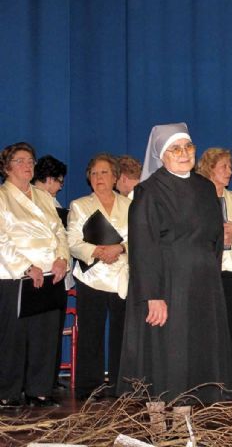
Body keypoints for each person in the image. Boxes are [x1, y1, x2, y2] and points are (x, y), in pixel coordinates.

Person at [118, 123, 232, 403]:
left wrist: (210, 274)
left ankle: (187, 416)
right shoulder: (149, 191)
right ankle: (159, 422)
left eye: (188, 147)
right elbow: (143, 247)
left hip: (203, 284)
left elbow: (215, 238)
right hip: (168, 284)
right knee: (168, 355)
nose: (184, 153)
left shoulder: (205, 187)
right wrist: (153, 295)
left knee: (198, 353)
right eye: (175, 149)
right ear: (162, 155)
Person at [0, 142, 70, 408]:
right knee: (13, 336)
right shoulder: (2, 197)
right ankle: (7, 392)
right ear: (6, 167)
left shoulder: (43, 197)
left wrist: (62, 258)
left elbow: (59, 231)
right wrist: (27, 267)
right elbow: (1, 238)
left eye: (30, 160)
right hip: (14, 274)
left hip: (50, 273)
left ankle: (38, 390)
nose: (27, 165)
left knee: (45, 332)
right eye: (20, 160)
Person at [67, 154, 131, 400]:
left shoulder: (130, 205)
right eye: (94, 173)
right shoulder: (79, 205)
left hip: (122, 277)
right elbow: (73, 242)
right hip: (91, 277)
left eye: (104, 172)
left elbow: (140, 239)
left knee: (122, 334)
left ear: (115, 177)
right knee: (90, 333)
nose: (98, 177)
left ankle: (121, 385)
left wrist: (120, 248)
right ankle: (88, 387)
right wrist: (98, 252)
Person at [196, 147, 232, 388]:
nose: (229, 171)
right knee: (206, 327)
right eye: (224, 167)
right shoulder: (197, 198)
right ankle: (207, 380)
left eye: (230, 167)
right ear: (210, 169)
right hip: (205, 271)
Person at [32, 154, 69, 391]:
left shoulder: (51, 201)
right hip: (40, 273)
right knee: (42, 331)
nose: (61, 186)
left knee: (52, 330)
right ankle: (40, 381)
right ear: (48, 179)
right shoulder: (37, 200)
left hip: (57, 271)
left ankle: (49, 379)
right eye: (59, 181)